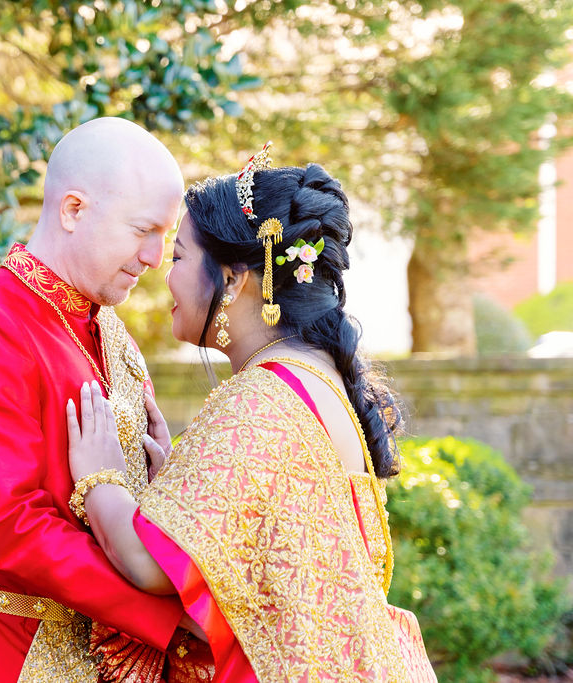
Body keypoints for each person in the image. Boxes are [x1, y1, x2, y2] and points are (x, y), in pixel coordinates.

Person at [66, 145, 438, 681]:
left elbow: (149, 566)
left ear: (236, 278)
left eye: (177, 258)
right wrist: (183, 484)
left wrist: (99, 478)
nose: (162, 275)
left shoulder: (261, 400)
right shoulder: (312, 375)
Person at [0, 117, 204, 682]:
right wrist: (167, 618)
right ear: (73, 210)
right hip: (20, 652)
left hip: (131, 659)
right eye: (142, 230)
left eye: (164, 240)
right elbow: (6, 527)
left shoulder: (111, 331)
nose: (152, 258)